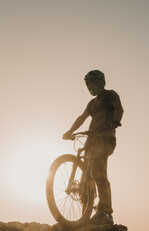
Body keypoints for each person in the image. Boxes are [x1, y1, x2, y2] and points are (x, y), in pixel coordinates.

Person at [63, 70, 124, 225]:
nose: (91, 87)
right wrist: (70, 131)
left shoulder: (110, 95)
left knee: (99, 172)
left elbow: (119, 108)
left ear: (101, 83)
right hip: (92, 138)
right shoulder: (92, 103)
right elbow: (82, 117)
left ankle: (105, 212)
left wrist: (116, 121)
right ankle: (86, 212)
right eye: (89, 84)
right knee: (87, 174)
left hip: (105, 137)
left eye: (94, 83)